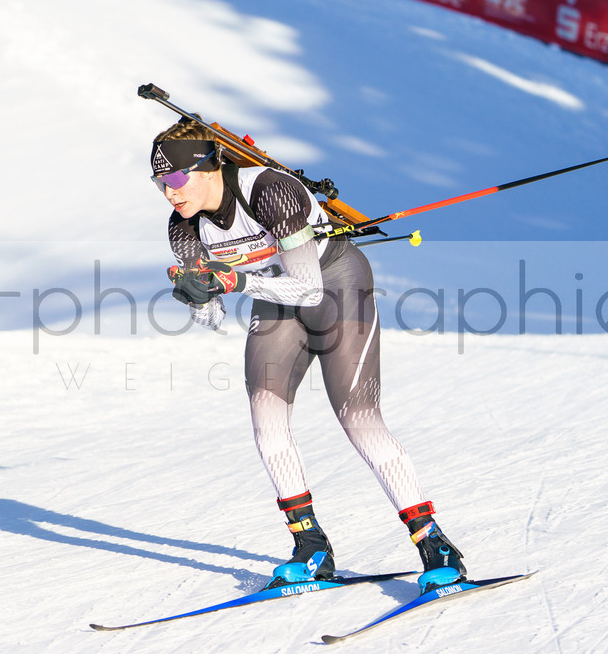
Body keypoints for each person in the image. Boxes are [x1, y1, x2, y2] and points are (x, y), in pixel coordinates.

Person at [150, 117, 466, 593]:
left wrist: (233, 280)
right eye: (159, 181)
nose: (169, 191)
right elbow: (212, 316)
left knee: (358, 417)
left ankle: (435, 546)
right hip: (274, 295)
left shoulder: (269, 190)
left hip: (335, 284)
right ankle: (310, 546)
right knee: (265, 413)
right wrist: (197, 296)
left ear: (209, 165)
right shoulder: (184, 228)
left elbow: (308, 288)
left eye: (175, 177)